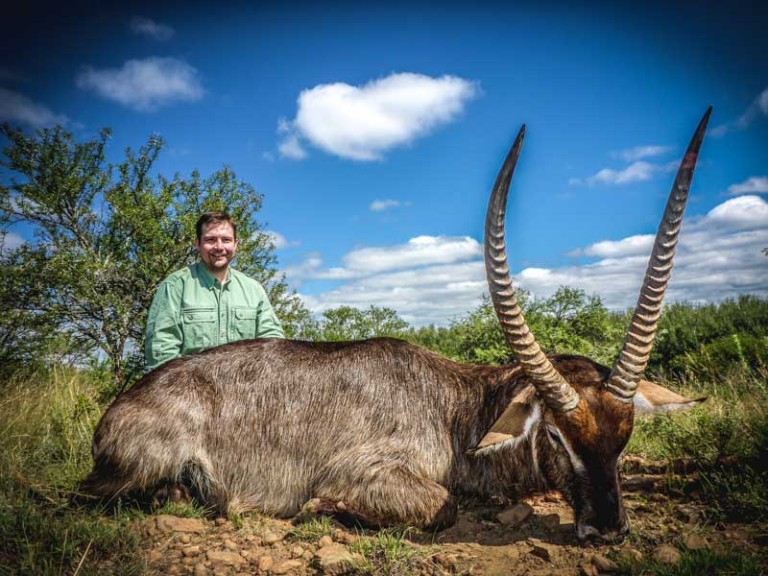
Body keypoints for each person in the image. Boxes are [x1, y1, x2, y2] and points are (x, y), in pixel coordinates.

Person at [144, 211, 284, 371]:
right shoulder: (175, 286)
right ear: (197, 243)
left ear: (236, 244)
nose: (219, 247)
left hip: (246, 391)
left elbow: (274, 346)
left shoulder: (254, 289)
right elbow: (161, 351)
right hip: (190, 391)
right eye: (210, 240)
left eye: (226, 240)